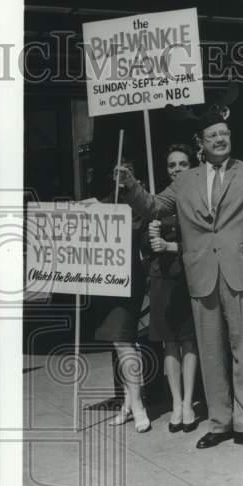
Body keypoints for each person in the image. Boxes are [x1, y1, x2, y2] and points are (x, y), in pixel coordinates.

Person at [116, 105, 243, 450]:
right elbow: (152, 207)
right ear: (200, 142)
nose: (220, 139)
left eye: (224, 134)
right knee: (212, 353)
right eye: (212, 135)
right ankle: (220, 421)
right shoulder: (186, 180)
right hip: (202, 276)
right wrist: (130, 185)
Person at [145, 145, 199, 433]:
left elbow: (204, 243)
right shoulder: (158, 203)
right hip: (162, 279)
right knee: (169, 343)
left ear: (191, 165)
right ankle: (176, 402)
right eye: (172, 165)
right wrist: (150, 235)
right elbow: (144, 248)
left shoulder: (198, 198)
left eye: (182, 163)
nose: (177, 169)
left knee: (189, 341)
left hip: (189, 277)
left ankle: (189, 402)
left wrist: (170, 245)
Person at [94, 162, 151, 432]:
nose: (120, 180)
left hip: (130, 281)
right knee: (120, 343)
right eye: (116, 175)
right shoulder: (102, 206)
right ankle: (128, 403)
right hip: (107, 282)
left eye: (125, 175)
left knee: (123, 341)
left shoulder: (138, 206)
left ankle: (137, 406)